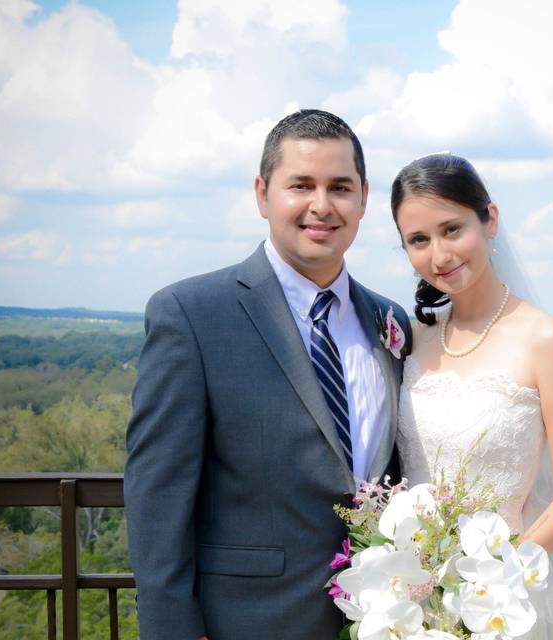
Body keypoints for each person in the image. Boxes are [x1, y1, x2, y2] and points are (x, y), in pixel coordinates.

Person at [124, 109, 412, 639]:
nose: (321, 206)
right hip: (244, 621)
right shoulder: (191, 314)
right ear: (263, 194)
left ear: (364, 199)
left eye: (340, 187)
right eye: (301, 185)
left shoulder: (388, 322)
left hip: (378, 619)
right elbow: (157, 496)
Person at [391, 154, 553, 638]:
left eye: (452, 229)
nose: (440, 255)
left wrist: (495, 580)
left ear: (489, 220)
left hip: (501, 597)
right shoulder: (413, 338)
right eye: (418, 240)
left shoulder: (546, 339)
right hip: (415, 594)